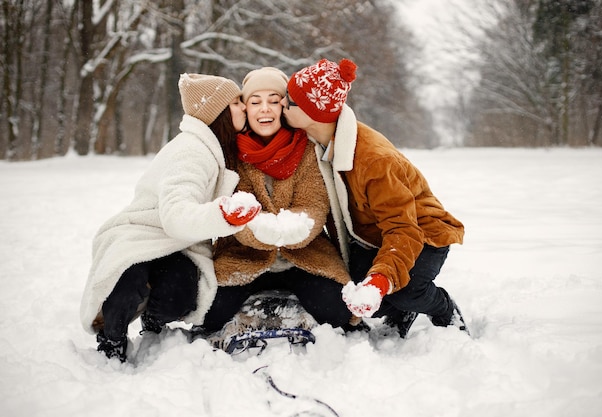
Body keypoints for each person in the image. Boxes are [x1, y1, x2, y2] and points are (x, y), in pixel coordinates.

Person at [79, 73, 262, 362]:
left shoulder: (213, 146)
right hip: (143, 234)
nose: (245, 108)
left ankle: (154, 316)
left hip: (176, 244)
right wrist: (223, 214)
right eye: (237, 102)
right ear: (219, 112)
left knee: (181, 291)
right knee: (130, 277)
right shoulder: (193, 151)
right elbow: (176, 215)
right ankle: (112, 336)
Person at [281, 58, 469, 338]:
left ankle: (441, 308)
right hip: (372, 236)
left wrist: (380, 281)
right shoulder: (316, 141)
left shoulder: (375, 161)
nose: (281, 104)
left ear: (313, 113)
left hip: (422, 234)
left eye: (288, 101)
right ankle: (397, 308)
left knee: (405, 291)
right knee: (347, 296)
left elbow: (403, 230)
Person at [200, 67, 354, 336]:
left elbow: (314, 202)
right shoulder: (230, 151)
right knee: (209, 313)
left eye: (273, 100)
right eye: (255, 102)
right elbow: (234, 206)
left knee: (337, 312)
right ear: (245, 108)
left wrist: (297, 227)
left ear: (284, 106)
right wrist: (258, 231)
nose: (265, 110)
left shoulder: (307, 147)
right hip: (244, 256)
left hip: (304, 255)